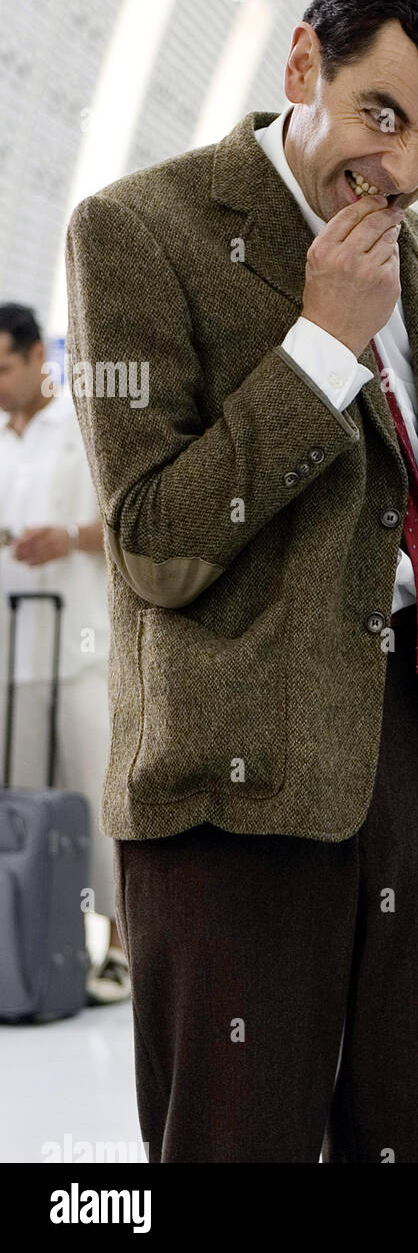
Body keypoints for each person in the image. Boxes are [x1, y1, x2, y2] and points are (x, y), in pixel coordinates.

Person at [65, 0, 418, 1163]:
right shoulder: (138, 231)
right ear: (304, 59)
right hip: (231, 791)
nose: (407, 170)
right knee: (236, 1143)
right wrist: (320, 345)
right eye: (384, 115)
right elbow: (154, 541)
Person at [0, 304, 122, 1003]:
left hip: (78, 648)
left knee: (98, 803)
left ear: (38, 357)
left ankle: (119, 948)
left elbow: (131, 518)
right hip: (10, 658)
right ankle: (32, 946)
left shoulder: (83, 425)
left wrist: (70, 537)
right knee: (21, 815)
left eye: (5, 368)